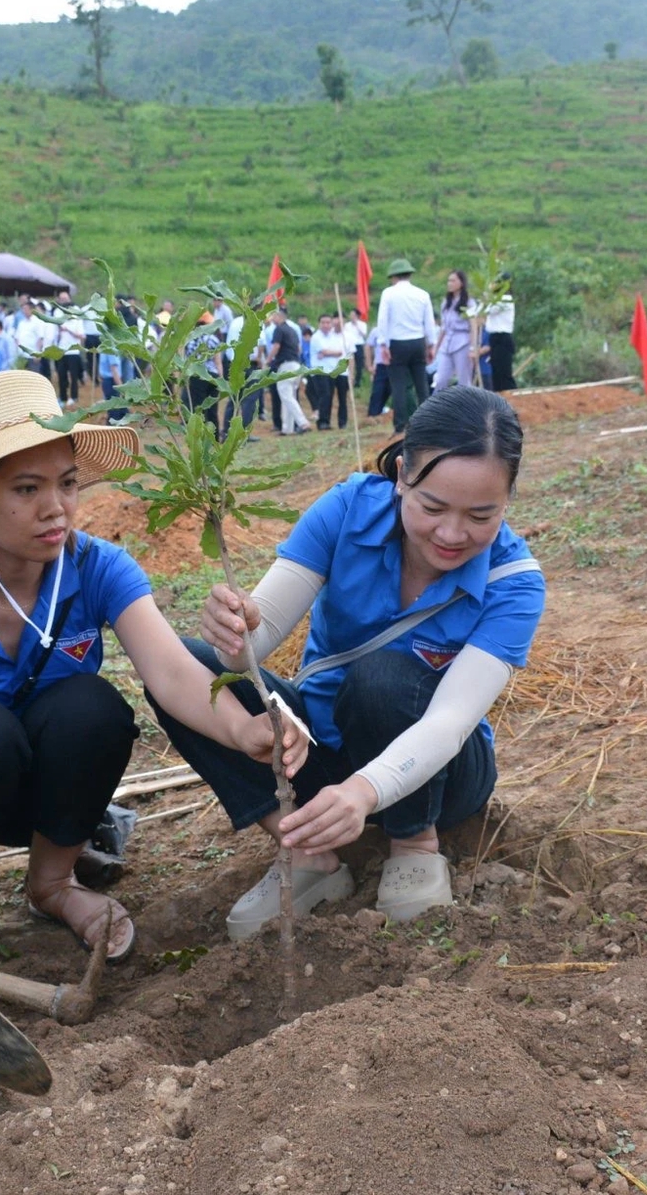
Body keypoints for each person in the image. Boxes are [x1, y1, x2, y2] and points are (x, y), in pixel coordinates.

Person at [0, 371, 305, 960]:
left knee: (92, 709)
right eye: (26, 490)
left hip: (59, 800)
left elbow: (171, 669)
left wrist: (243, 727)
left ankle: (52, 883)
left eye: (67, 484)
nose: (56, 508)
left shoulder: (98, 568)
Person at [156, 386, 545, 938]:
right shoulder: (347, 511)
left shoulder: (515, 584)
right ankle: (306, 848)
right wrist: (231, 628)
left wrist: (365, 792)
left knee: (381, 678)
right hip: (326, 748)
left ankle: (413, 842)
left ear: (508, 500)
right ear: (402, 477)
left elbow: (450, 723)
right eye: (432, 507)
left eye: (481, 515)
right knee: (187, 670)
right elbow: (252, 645)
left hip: (442, 774)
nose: (453, 534)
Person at [376, 259, 437, 431]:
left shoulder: (388, 293)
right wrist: (431, 345)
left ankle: (400, 425)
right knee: (421, 385)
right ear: (409, 274)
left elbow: (383, 321)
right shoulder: (422, 294)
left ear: (393, 276)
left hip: (397, 343)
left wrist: (383, 345)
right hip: (418, 342)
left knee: (399, 386)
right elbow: (429, 322)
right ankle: (427, 423)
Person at [433, 270, 478, 391]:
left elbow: (473, 326)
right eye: (449, 281)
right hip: (447, 343)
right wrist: (436, 347)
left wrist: (473, 348)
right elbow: (443, 328)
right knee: (441, 379)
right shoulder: (446, 303)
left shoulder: (469, 302)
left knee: (464, 380)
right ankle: (435, 407)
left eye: (453, 280)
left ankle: (466, 407)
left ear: (461, 283)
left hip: (463, 342)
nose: (450, 283)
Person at [267, 308, 310, 435]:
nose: (271, 319)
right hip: (296, 365)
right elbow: (299, 349)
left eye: (272, 316)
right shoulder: (293, 330)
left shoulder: (279, 329)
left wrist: (268, 360)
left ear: (278, 316)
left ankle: (303, 422)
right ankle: (288, 429)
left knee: (286, 396)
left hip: (286, 365)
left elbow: (276, 346)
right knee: (288, 396)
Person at [310, 313, 352, 429]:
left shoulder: (332, 336)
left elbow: (330, 352)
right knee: (325, 396)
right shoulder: (316, 337)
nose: (325, 325)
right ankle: (323, 422)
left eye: (328, 322)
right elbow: (327, 351)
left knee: (337, 397)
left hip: (333, 371)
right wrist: (333, 353)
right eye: (323, 322)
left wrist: (328, 353)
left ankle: (339, 422)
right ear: (319, 324)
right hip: (321, 372)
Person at [479, 274, 517, 392]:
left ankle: (512, 400)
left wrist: (487, 294)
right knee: (496, 373)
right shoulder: (496, 300)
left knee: (504, 373)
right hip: (494, 338)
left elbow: (488, 309)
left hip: (502, 338)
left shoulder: (506, 300)